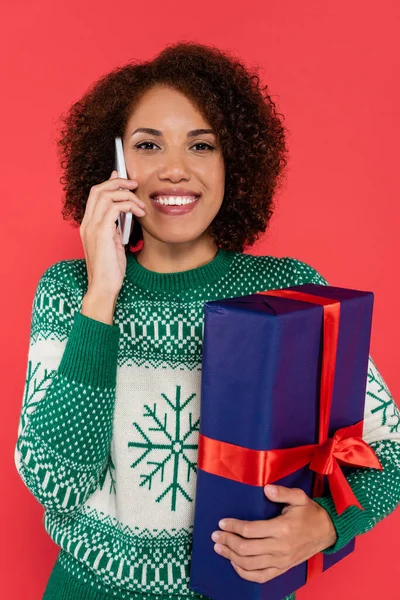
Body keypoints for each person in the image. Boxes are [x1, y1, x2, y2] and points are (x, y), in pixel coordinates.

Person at [14, 41, 400, 600]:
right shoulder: (70, 291)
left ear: (233, 162)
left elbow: (388, 447)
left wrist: (328, 524)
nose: (175, 169)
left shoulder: (288, 292)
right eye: (149, 146)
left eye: (202, 145)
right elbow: (59, 482)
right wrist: (102, 295)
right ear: (116, 164)